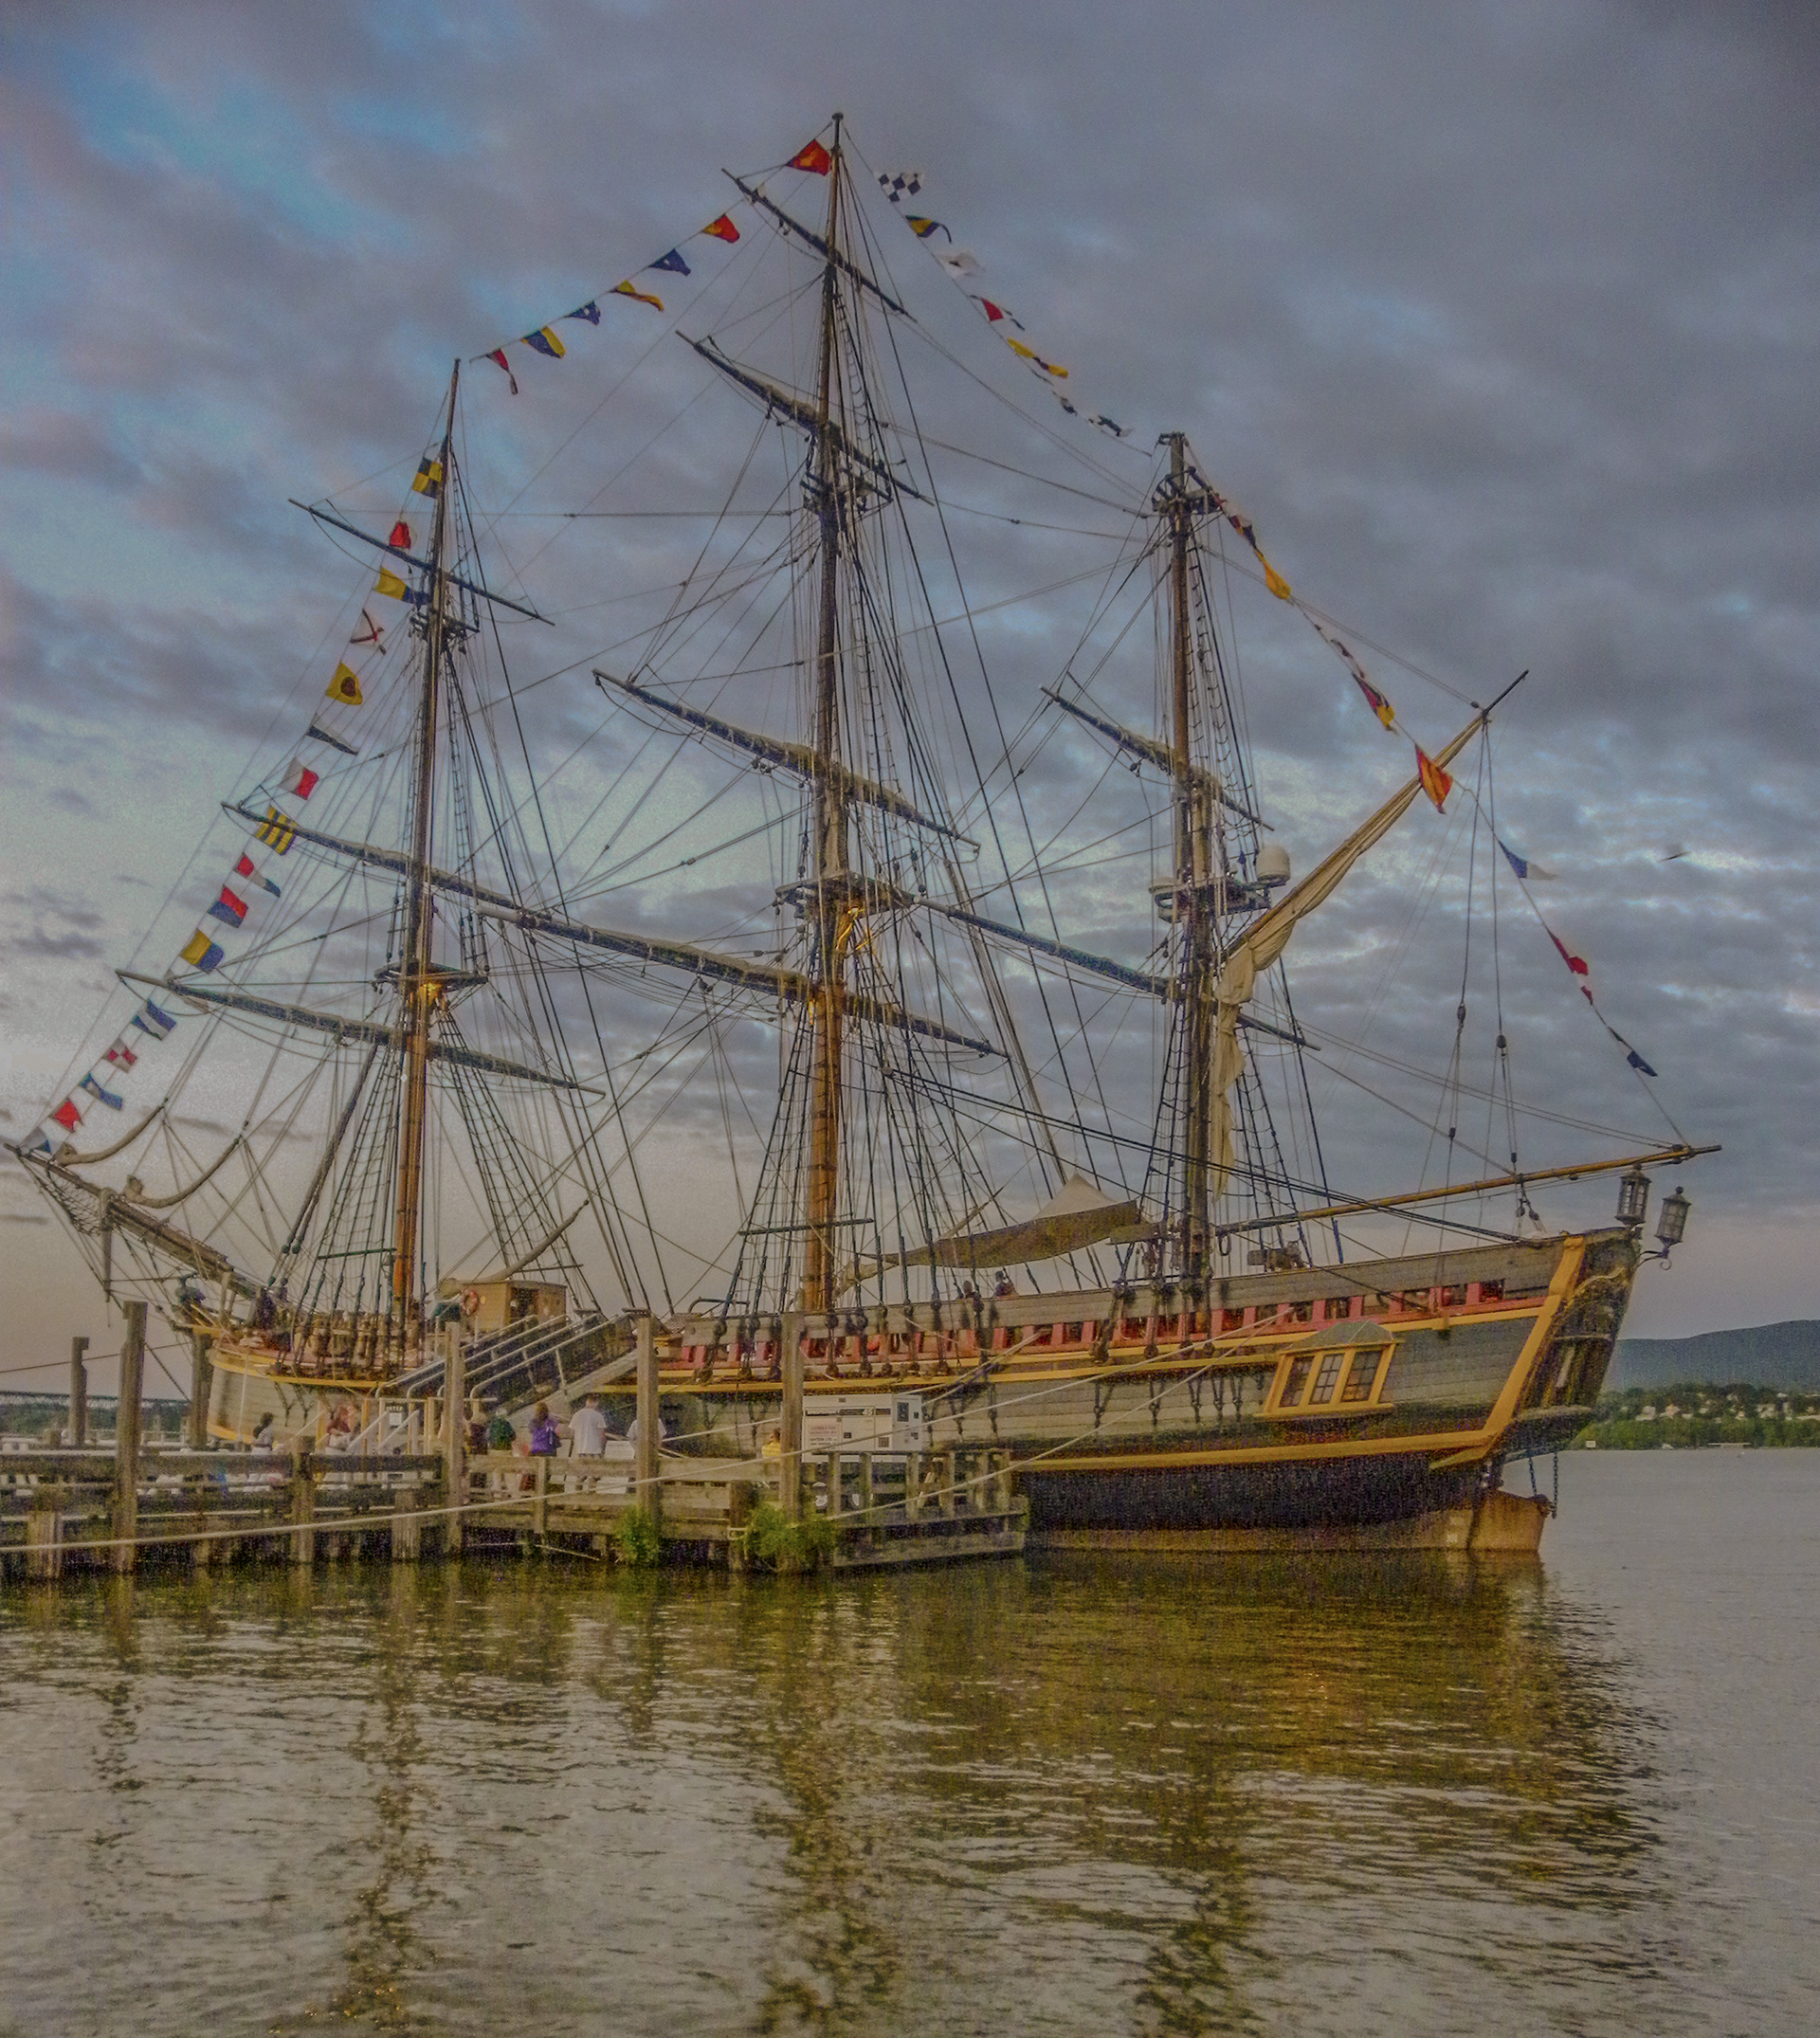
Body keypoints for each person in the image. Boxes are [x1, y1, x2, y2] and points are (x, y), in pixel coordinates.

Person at [568, 1393, 607, 1492]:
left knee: (581, 1475)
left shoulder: (577, 1415)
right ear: (596, 1402)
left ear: (587, 1401)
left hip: (581, 1449)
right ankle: (592, 1501)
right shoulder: (598, 1416)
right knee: (593, 1475)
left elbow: (571, 1434)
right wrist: (602, 1449)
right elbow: (602, 1435)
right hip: (595, 1449)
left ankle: (577, 1500)